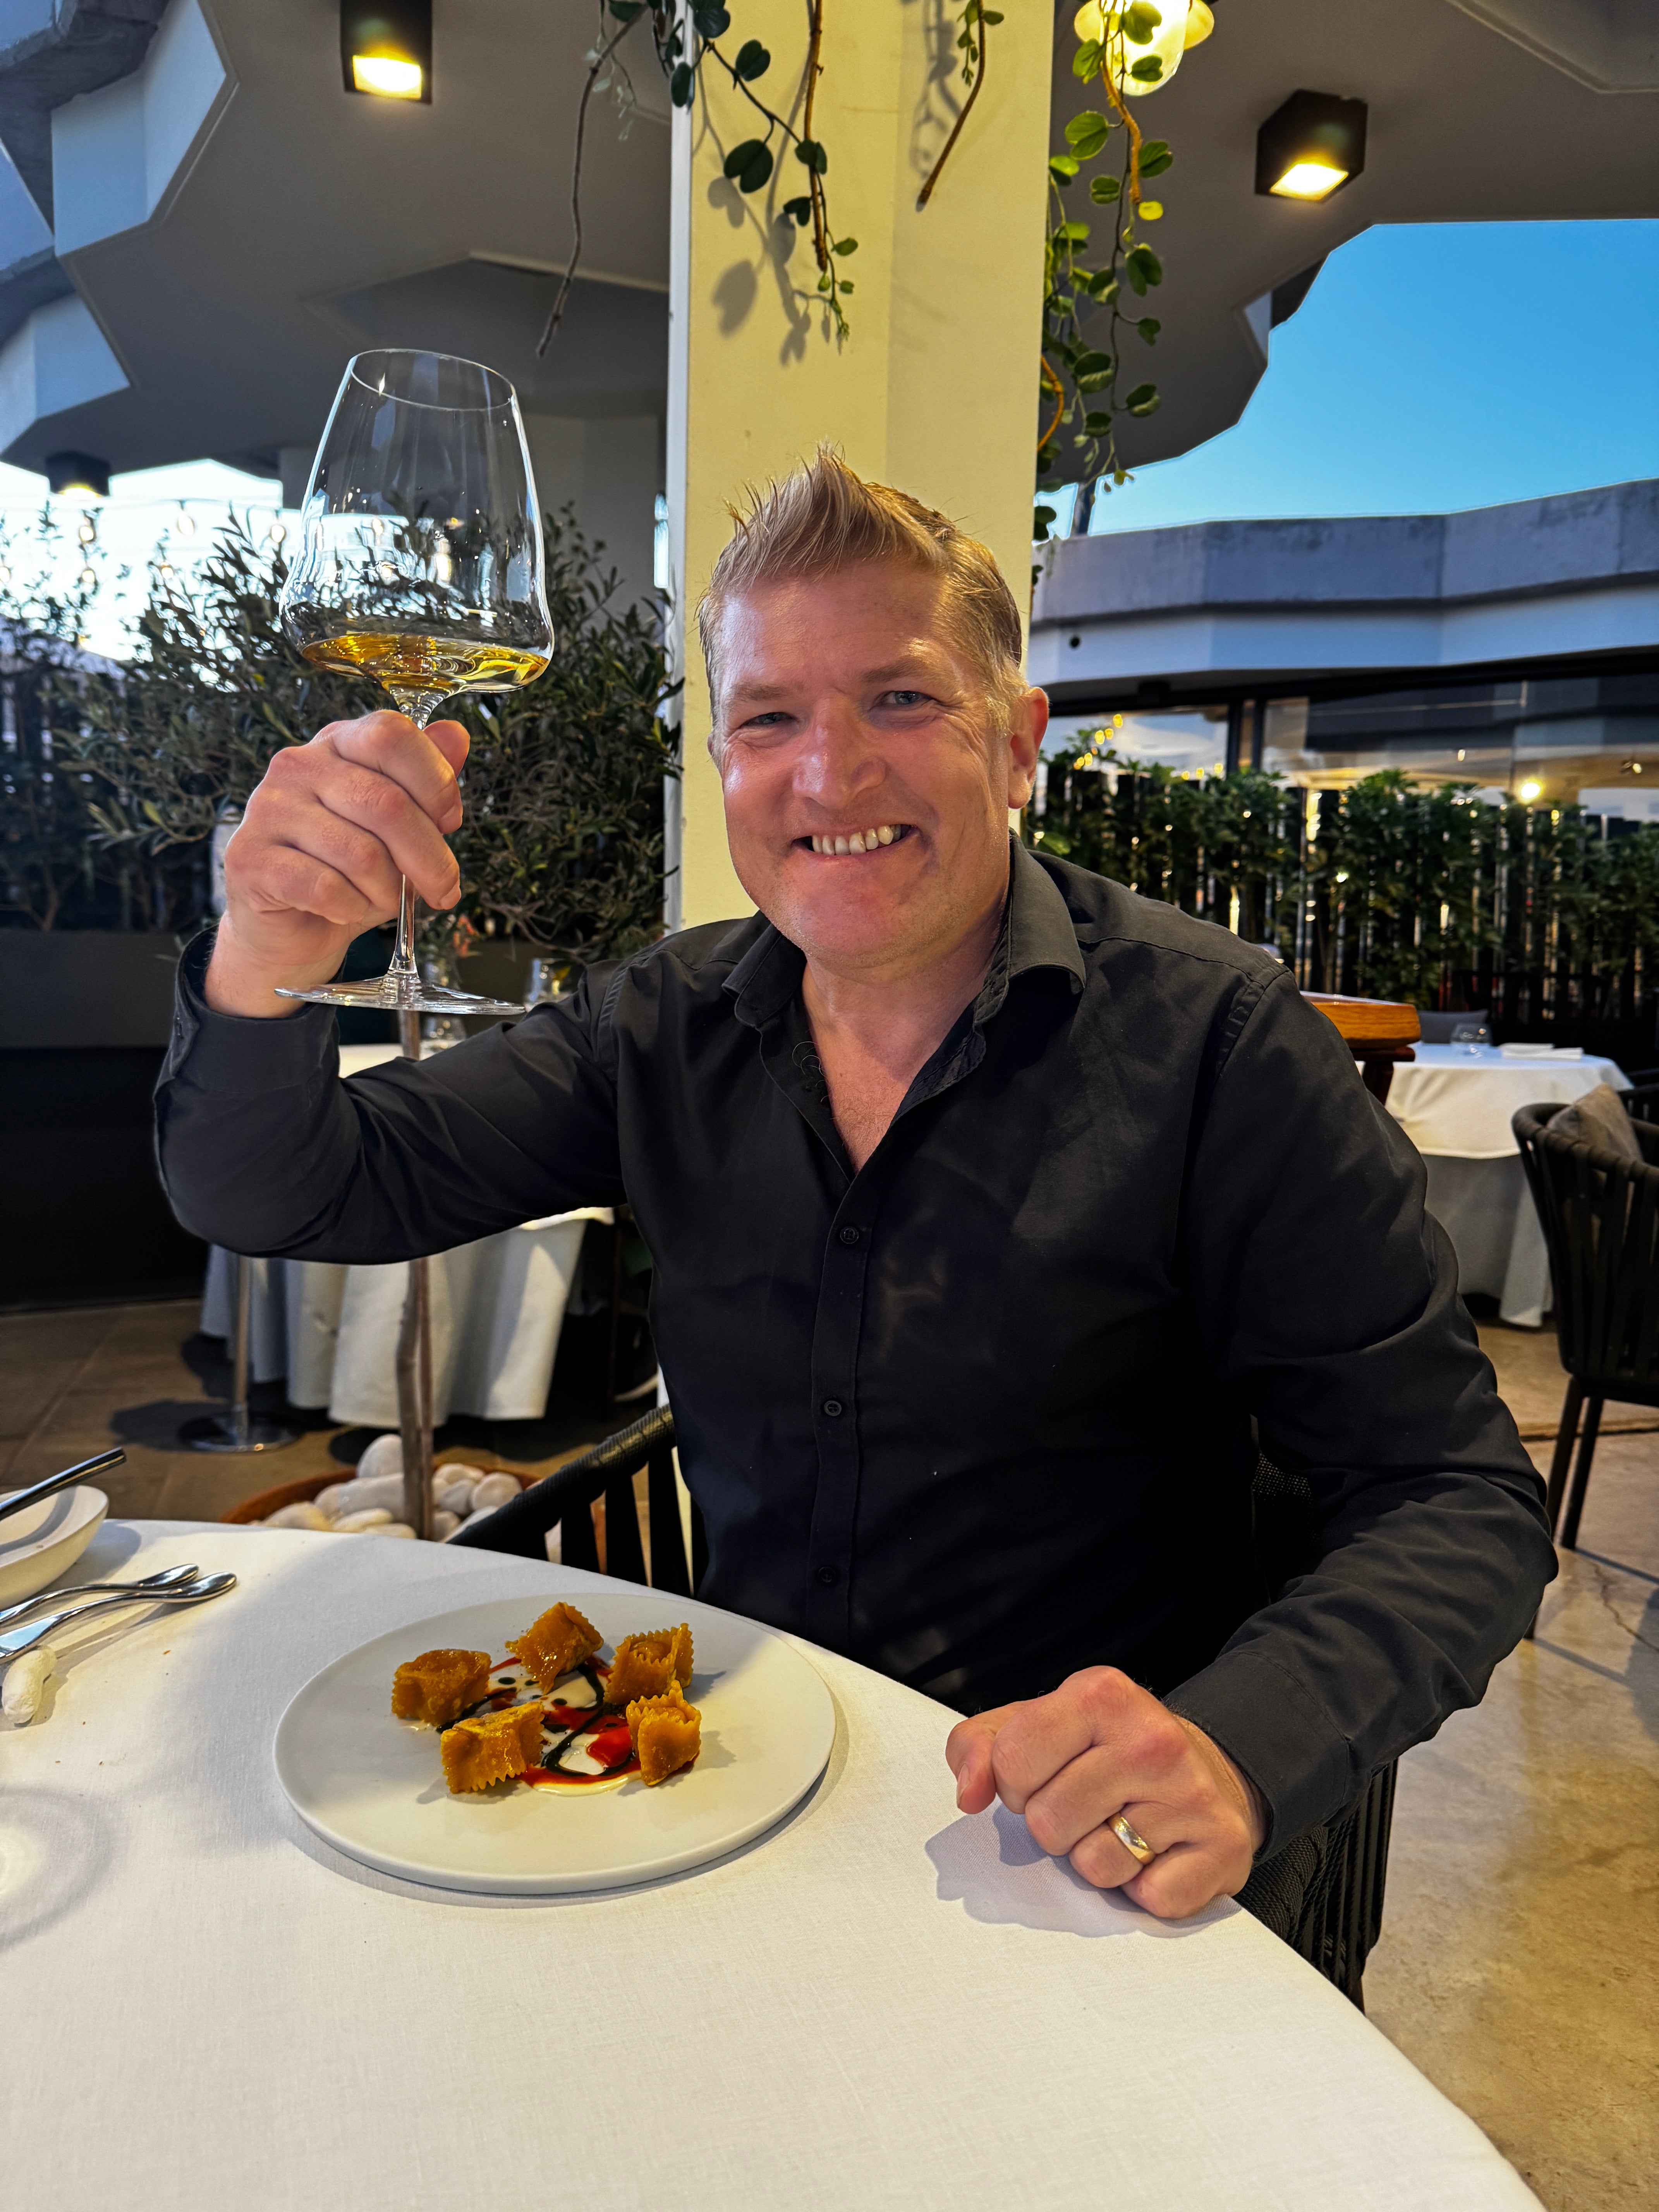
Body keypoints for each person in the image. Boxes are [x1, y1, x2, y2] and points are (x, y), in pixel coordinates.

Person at [156, 450, 1553, 1920]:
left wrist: (1241, 1742)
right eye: (769, 718)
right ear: (726, 767)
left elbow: (1450, 1496)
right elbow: (287, 1191)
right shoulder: (659, 1027)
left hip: (1071, 1843)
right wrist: (258, 961)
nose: (829, 774)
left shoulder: (1216, 1042)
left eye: (900, 699)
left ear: (1016, 744)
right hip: (737, 1796)